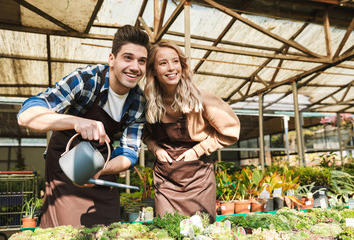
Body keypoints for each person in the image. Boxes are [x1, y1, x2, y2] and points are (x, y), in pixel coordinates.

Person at [17, 25, 150, 228]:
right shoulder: (87, 79)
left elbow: (129, 152)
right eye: (128, 58)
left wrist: (101, 170)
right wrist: (76, 122)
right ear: (112, 59)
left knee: (108, 228)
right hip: (65, 166)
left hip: (102, 167)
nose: (135, 67)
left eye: (142, 61)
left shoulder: (138, 101)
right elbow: (26, 116)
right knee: (66, 230)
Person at [143, 40, 241, 223]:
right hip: (165, 180)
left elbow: (231, 130)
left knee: (201, 229)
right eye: (163, 63)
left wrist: (197, 150)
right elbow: (144, 134)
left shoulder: (201, 98)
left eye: (175, 61)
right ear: (153, 70)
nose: (171, 68)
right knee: (167, 229)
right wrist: (155, 149)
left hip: (198, 179)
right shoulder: (147, 102)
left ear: (182, 65)